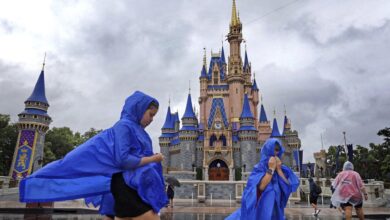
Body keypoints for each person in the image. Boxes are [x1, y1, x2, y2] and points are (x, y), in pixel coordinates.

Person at [19, 91, 168, 220]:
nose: (152, 119)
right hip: (125, 185)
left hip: (132, 185)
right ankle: (36, 184)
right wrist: (154, 159)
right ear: (139, 108)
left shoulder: (137, 129)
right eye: (150, 114)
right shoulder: (124, 126)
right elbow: (123, 160)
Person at [226, 138, 299, 220]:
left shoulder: (282, 168)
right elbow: (260, 187)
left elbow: (289, 185)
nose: (276, 153)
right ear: (268, 149)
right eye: (274, 149)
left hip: (275, 210)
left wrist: (278, 170)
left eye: (278, 150)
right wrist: (271, 169)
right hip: (261, 209)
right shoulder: (259, 168)